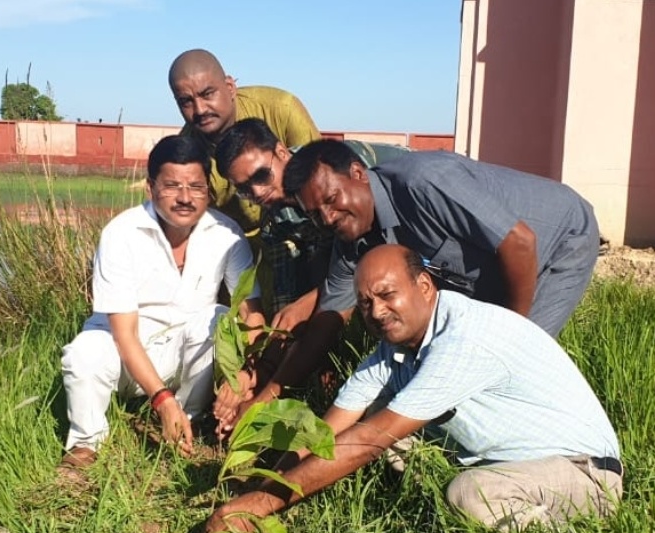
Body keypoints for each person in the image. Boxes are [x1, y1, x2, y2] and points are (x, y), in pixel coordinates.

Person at [203, 244, 622, 533]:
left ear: (424, 287)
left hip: (582, 472)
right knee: (389, 443)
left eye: (387, 295)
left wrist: (265, 504)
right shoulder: (395, 349)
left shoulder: (462, 338)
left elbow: (367, 440)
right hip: (515, 462)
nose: (377, 312)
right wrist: (259, 487)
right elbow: (327, 432)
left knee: (468, 495)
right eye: (365, 304)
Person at [234, 138, 601, 422]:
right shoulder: (351, 237)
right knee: (459, 360)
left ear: (359, 174)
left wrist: (505, 335)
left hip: (558, 239)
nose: (328, 218)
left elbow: (520, 243)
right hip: (489, 265)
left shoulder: (424, 183)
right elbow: (327, 322)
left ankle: (551, 438)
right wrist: (266, 397)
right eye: (315, 214)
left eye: (332, 199)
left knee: (516, 359)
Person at [58, 135, 264, 469]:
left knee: (217, 316)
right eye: (172, 186)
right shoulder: (121, 233)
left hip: (184, 354)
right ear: (151, 187)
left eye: (195, 187)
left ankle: (189, 420)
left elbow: (250, 313)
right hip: (125, 355)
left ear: (208, 190)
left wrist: (243, 372)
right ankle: (85, 443)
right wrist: (161, 398)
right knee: (85, 352)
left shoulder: (227, 234)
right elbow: (124, 334)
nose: (185, 198)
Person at [212, 118, 408, 434]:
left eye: (262, 176)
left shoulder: (333, 167)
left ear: (280, 151)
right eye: (244, 189)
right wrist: (257, 377)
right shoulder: (275, 219)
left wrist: (312, 302)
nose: (257, 192)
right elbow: (291, 313)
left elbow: (375, 252)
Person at [168, 49, 319, 312]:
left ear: (230, 86)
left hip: (303, 233)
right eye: (186, 101)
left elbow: (320, 180)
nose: (200, 110)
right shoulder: (187, 156)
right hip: (239, 252)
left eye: (207, 94)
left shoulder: (281, 109)